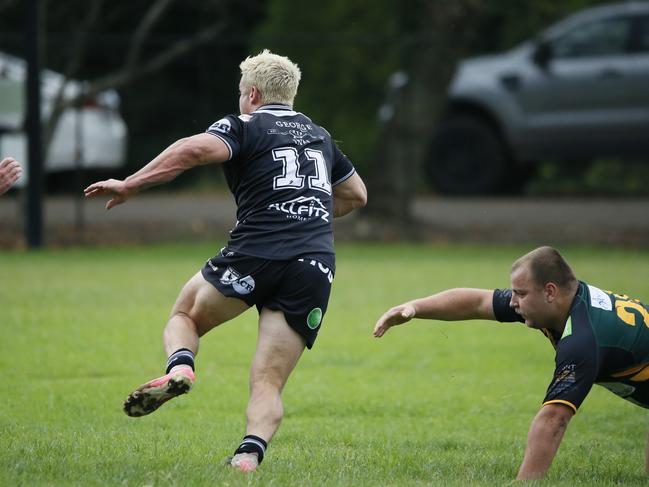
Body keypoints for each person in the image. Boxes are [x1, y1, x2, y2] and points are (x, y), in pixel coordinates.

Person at [84, 49, 367, 472]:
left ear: (251, 93)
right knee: (268, 381)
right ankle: (248, 455)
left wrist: (132, 183)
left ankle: (180, 368)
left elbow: (191, 150)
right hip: (314, 264)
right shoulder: (319, 135)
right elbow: (356, 195)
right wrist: (309, 211)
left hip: (258, 251)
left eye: (240, 92)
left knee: (185, 315)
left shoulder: (244, 125)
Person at [373, 246, 649, 480]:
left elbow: (554, 419)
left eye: (520, 293)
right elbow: (477, 302)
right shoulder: (560, 304)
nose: (513, 301)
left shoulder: (583, 339)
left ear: (550, 291)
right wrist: (413, 308)